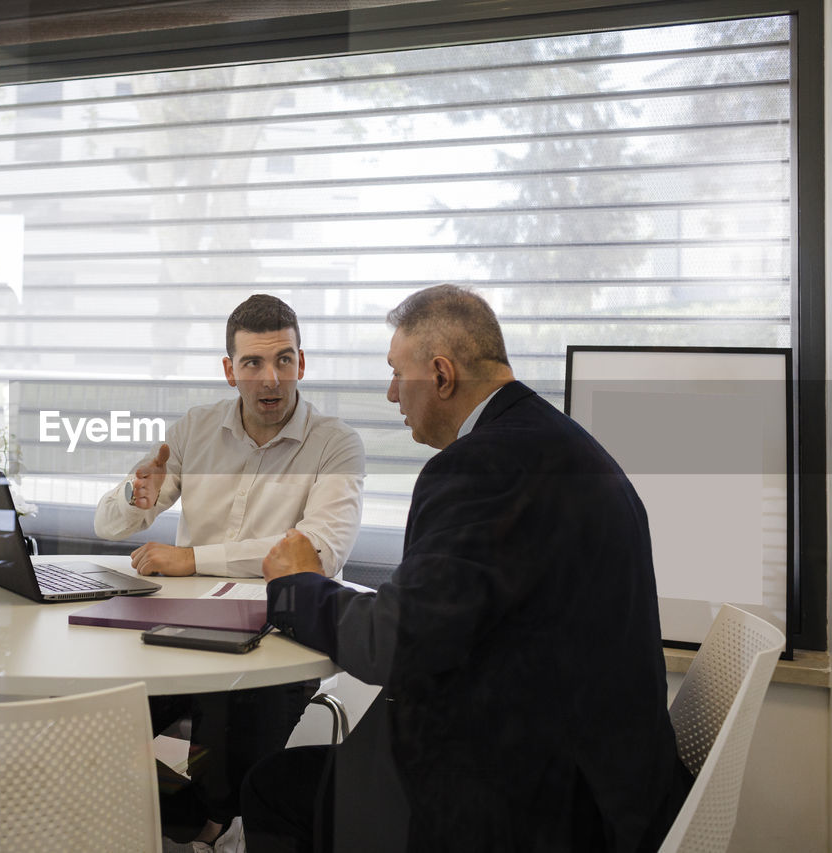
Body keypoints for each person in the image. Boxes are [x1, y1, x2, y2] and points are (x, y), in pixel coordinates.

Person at [241, 284, 693, 852]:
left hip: (540, 809)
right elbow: (447, 614)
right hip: (603, 781)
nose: (389, 394)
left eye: (396, 374)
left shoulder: (481, 467)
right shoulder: (551, 442)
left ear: (441, 375)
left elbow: (394, 645)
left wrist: (295, 585)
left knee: (271, 789)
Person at [94, 293, 365, 848]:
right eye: (253, 363)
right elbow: (109, 524)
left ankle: (213, 825)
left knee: (228, 743)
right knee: (99, 719)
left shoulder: (335, 444)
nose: (271, 379)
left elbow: (320, 553)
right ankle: (174, 820)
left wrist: (194, 558)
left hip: (278, 633)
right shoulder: (194, 430)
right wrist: (133, 492)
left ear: (301, 363)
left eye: (284, 360)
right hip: (181, 627)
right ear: (229, 370)